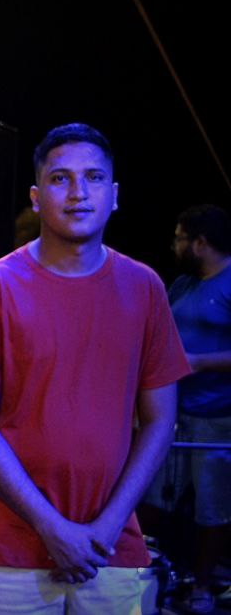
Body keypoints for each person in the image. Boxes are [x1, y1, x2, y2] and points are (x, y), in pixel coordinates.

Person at [0, 122, 191, 614]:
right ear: (37, 198)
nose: (78, 192)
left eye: (93, 178)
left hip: (111, 547)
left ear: (114, 195)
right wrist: (52, 528)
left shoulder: (144, 288)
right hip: (12, 549)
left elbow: (161, 419)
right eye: (61, 179)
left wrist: (105, 527)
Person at [141, 204, 231, 614]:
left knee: (213, 506)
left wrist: (198, 362)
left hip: (216, 417)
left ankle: (203, 585)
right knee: (153, 498)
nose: (174, 246)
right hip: (171, 413)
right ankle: (150, 572)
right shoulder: (182, 284)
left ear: (200, 242)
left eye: (180, 238)